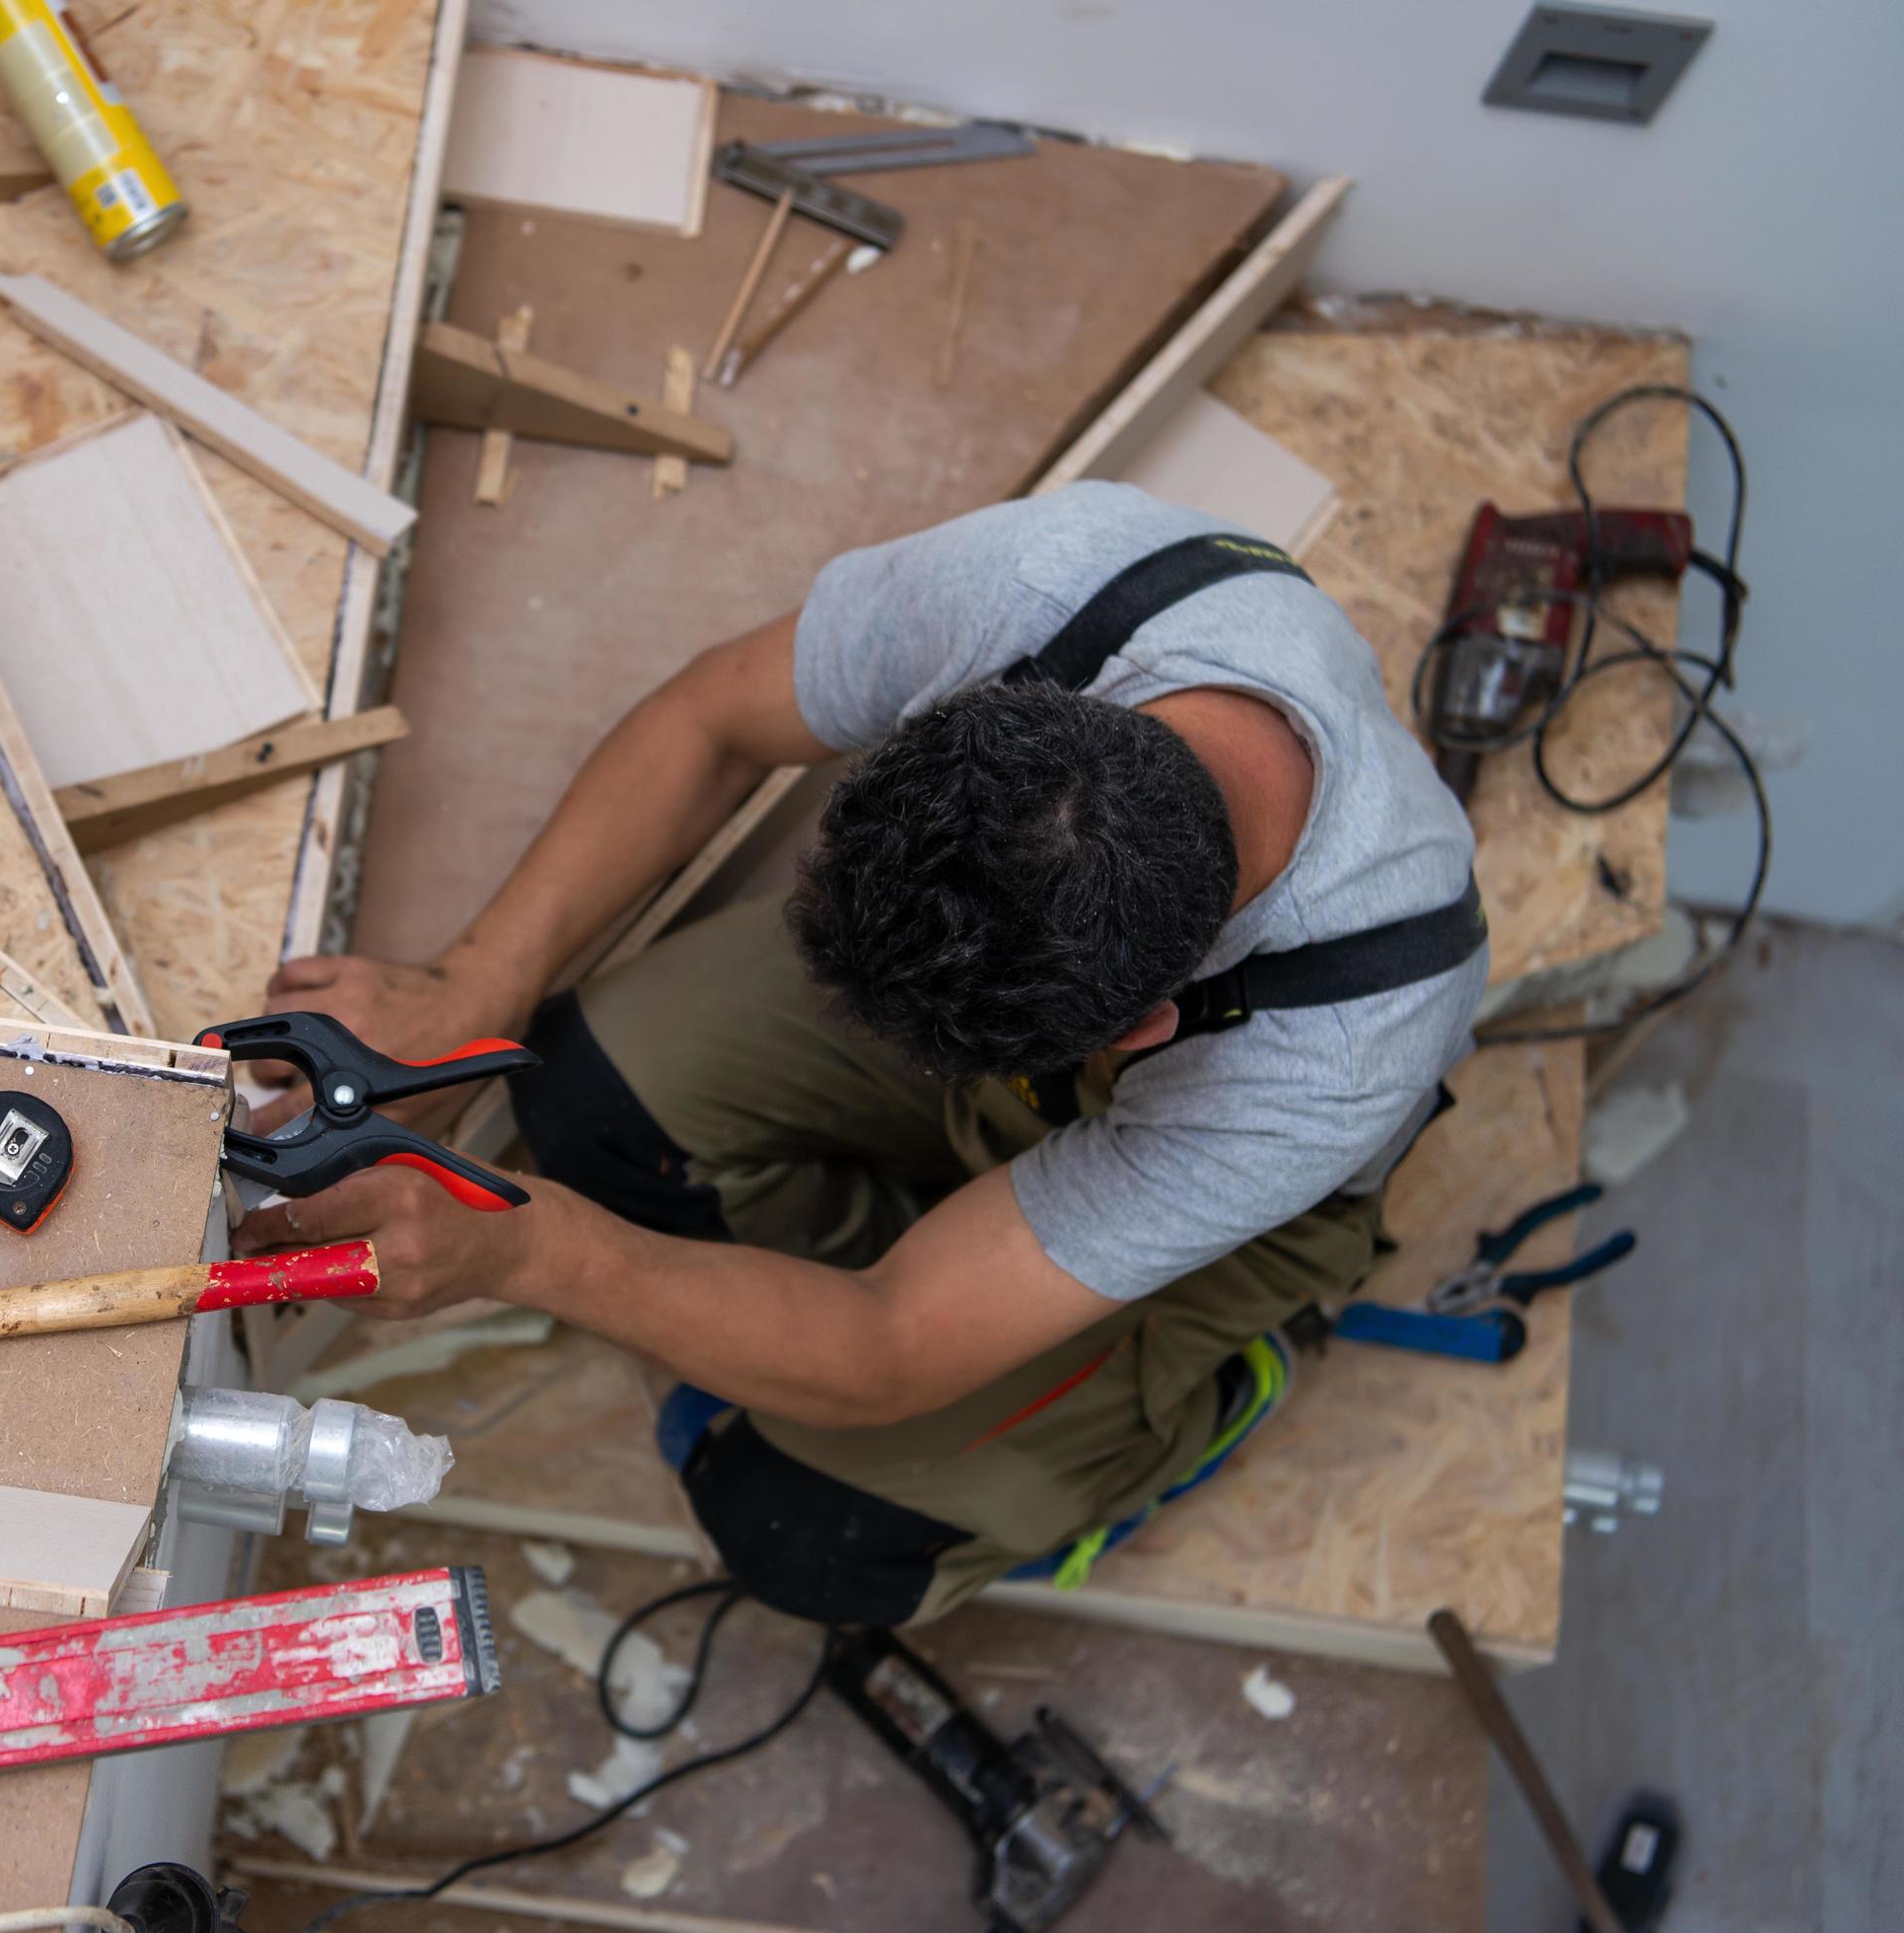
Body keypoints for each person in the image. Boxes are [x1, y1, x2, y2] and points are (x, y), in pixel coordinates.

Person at [234, 482, 1488, 1626]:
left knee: (807, 1532)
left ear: (1135, 1032)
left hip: (1213, 1165)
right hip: (1046, 997)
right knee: (581, 1102)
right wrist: (476, 985)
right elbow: (708, 717)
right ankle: (925, 1262)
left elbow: (889, 1344)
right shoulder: (1055, 586)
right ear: (989, 715)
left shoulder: (1330, 1052)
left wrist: (518, 1244)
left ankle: (1201, 1389)